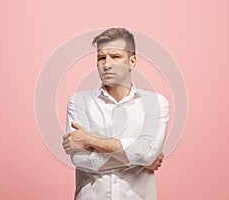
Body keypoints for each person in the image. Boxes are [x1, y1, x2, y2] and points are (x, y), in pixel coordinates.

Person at [62, 27, 170, 200]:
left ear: (132, 61)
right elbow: (80, 159)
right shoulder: (79, 102)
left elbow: (148, 153)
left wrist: (89, 140)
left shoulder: (156, 103)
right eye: (101, 58)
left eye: (116, 56)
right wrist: (139, 160)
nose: (107, 64)